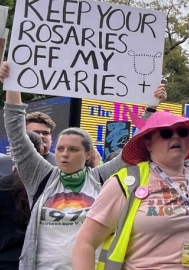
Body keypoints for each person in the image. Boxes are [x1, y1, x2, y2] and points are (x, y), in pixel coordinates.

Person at [0, 61, 166, 270]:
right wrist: (12, 83)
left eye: (73, 149)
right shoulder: (40, 176)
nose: (64, 154)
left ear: (88, 153)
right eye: (60, 149)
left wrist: (151, 106)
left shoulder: (101, 178)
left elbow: (137, 146)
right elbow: (16, 131)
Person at [73, 110, 189, 270]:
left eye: (182, 131)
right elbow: (85, 242)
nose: (175, 136)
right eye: (165, 132)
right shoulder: (125, 183)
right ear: (148, 143)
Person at [0, 132, 43, 270]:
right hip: (40, 260)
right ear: (41, 151)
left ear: (12, 153)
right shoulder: (50, 186)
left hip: (5, 258)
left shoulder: (2, 185)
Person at [0, 110, 57, 176]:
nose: (41, 136)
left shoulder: (61, 165)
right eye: (35, 133)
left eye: (45, 133)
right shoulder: (2, 164)